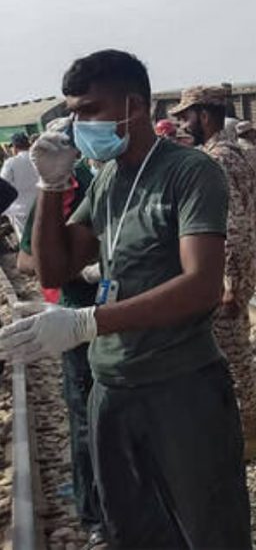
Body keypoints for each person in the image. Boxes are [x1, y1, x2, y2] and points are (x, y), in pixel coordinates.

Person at [0, 49, 250, 547]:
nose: (76, 123)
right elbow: (54, 267)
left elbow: (201, 285)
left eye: (89, 109)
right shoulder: (110, 180)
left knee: (209, 532)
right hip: (111, 390)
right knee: (133, 532)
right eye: (72, 111)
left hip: (179, 387)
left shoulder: (189, 173)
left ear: (133, 105)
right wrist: (53, 184)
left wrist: (86, 323)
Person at [171, 85, 256, 461]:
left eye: (186, 116)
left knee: (233, 354)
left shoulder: (218, 159)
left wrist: (229, 285)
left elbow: (232, 224)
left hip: (225, 278)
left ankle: (250, 431)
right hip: (228, 273)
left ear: (205, 116)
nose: (182, 123)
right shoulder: (220, 153)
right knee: (229, 352)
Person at [16, 148, 105, 548]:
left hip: (126, 317)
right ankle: (95, 517)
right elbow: (24, 261)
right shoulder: (60, 191)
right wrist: (75, 265)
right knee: (87, 422)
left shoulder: (113, 181)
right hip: (74, 320)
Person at [1, 132, 40, 241]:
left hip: (21, 210)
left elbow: (4, 184)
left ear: (15, 147)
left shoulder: (11, 162)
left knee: (27, 242)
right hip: (41, 204)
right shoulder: (39, 157)